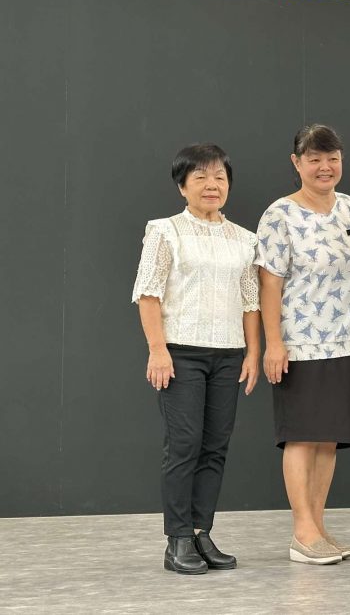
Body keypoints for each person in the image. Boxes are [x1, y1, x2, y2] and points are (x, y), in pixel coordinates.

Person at [257, 125, 350, 566]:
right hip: (301, 343)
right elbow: (269, 283)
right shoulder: (280, 215)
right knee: (301, 435)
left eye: (332, 158)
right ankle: (302, 531)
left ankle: (317, 525)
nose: (324, 167)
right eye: (314, 159)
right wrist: (273, 343)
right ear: (297, 163)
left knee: (329, 438)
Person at [132, 143, 261, 575]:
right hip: (180, 353)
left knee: (215, 446)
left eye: (220, 177)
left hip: (228, 354)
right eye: (201, 176)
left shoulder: (245, 239)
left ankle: (202, 532)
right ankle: (178, 539)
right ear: (182, 185)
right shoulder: (165, 231)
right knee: (185, 444)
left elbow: (250, 302)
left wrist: (253, 353)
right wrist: (158, 350)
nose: (212, 185)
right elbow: (148, 293)